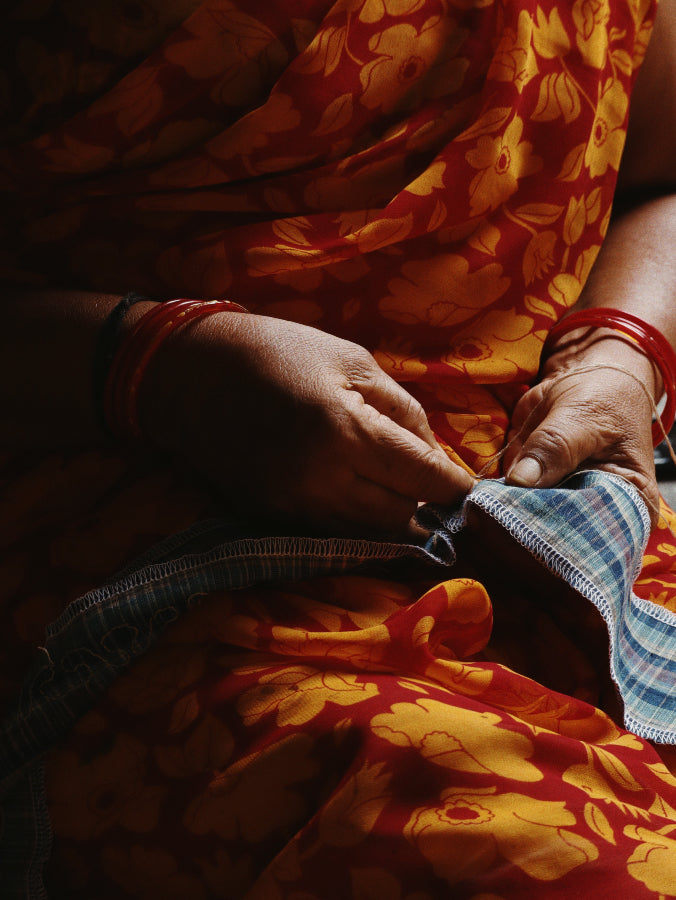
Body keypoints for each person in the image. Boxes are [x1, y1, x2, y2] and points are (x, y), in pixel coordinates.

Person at [2, 0, 676, 896]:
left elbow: (661, 169)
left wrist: (620, 351)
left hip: (565, 521)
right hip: (137, 553)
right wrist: (155, 371)